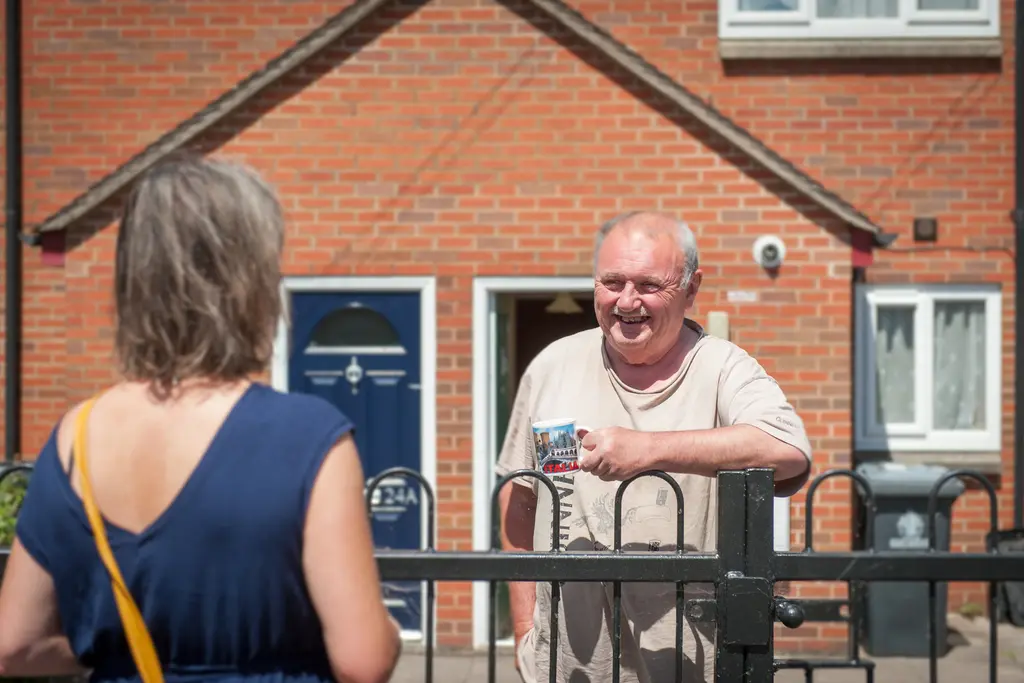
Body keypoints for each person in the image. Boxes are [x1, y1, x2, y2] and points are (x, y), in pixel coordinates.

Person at [0, 156, 401, 683]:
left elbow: (14, 645)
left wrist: (111, 649)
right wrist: (388, 630)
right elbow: (363, 660)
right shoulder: (307, 436)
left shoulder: (74, 436)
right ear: (249, 280)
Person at [496, 211, 813, 683]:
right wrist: (526, 630)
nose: (627, 301)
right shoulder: (553, 366)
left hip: (687, 664)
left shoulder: (723, 368)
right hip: (567, 667)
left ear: (691, 288)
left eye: (648, 285)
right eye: (612, 281)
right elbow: (519, 500)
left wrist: (648, 450)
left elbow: (787, 448)